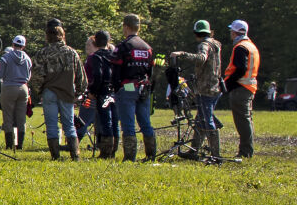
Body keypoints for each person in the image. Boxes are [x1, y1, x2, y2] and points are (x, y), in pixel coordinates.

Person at [168, 20, 224, 160]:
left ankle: (216, 155)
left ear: (196, 33)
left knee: (207, 119)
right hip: (216, 86)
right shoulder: (215, 44)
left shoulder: (204, 45)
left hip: (205, 89)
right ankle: (194, 150)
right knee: (200, 120)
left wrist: (182, 54)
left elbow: (201, 58)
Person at [28, 20, 84, 160]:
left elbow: (36, 76)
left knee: (51, 124)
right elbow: (80, 75)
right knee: (69, 125)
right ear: (62, 34)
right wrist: (78, 92)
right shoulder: (72, 53)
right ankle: (75, 155)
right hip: (67, 91)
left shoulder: (43, 53)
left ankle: (55, 155)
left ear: (47, 35)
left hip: (49, 92)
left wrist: (39, 91)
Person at [111, 13, 159, 161]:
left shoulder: (123, 47)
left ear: (126, 27)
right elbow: (151, 70)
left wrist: (116, 87)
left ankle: (130, 156)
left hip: (128, 87)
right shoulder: (147, 48)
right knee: (145, 122)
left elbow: (115, 70)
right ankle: (151, 154)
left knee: (128, 123)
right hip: (144, 87)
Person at [224, 19, 260, 160]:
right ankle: (247, 150)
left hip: (240, 88)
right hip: (249, 86)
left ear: (235, 32)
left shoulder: (240, 47)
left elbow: (240, 69)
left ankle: (245, 152)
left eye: (231, 31)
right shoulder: (251, 46)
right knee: (247, 120)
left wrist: (228, 85)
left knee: (242, 121)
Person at [0, 35, 34, 151]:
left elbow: (0, 75)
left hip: (9, 87)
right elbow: (29, 76)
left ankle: (9, 144)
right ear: (23, 46)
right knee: (21, 117)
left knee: (8, 116)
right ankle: (20, 145)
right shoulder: (27, 58)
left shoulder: (6, 57)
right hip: (23, 88)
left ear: (13, 45)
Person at [83, 30, 118, 159]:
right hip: (115, 91)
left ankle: (106, 152)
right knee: (115, 120)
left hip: (103, 91)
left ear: (96, 42)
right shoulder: (114, 55)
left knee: (105, 121)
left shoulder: (96, 57)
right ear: (108, 41)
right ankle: (114, 150)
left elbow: (98, 75)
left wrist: (92, 91)